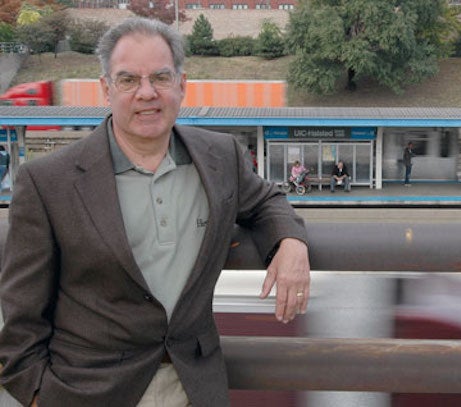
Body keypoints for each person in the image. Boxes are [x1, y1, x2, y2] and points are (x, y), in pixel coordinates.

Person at [0, 17, 310, 407]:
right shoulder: (48, 182)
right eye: (128, 80)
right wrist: (39, 396)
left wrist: (291, 242)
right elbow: (20, 317)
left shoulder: (219, 157)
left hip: (193, 387)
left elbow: (267, 201)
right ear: (105, 89)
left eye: (161, 78)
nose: (147, 93)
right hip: (87, 393)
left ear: (181, 86)